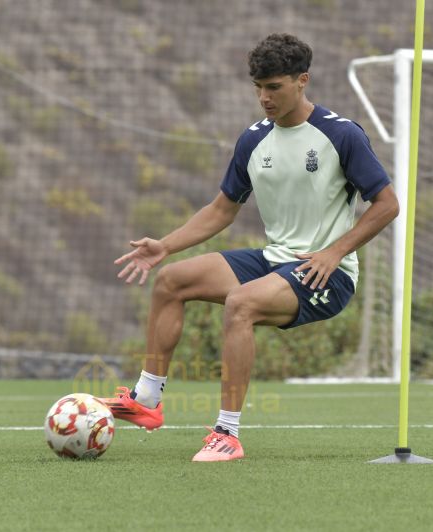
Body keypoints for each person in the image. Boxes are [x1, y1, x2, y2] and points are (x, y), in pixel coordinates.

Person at [100, 33, 399, 462]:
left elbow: (387, 205)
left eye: (274, 87)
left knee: (239, 303)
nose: (264, 97)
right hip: (276, 259)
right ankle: (147, 400)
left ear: (302, 81)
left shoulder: (341, 134)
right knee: (171, 280)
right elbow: (222, 209)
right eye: (258, 87)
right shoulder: (253, 140)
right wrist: (164, 245)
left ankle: (228, 433)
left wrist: (334, 252)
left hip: (327, 275)